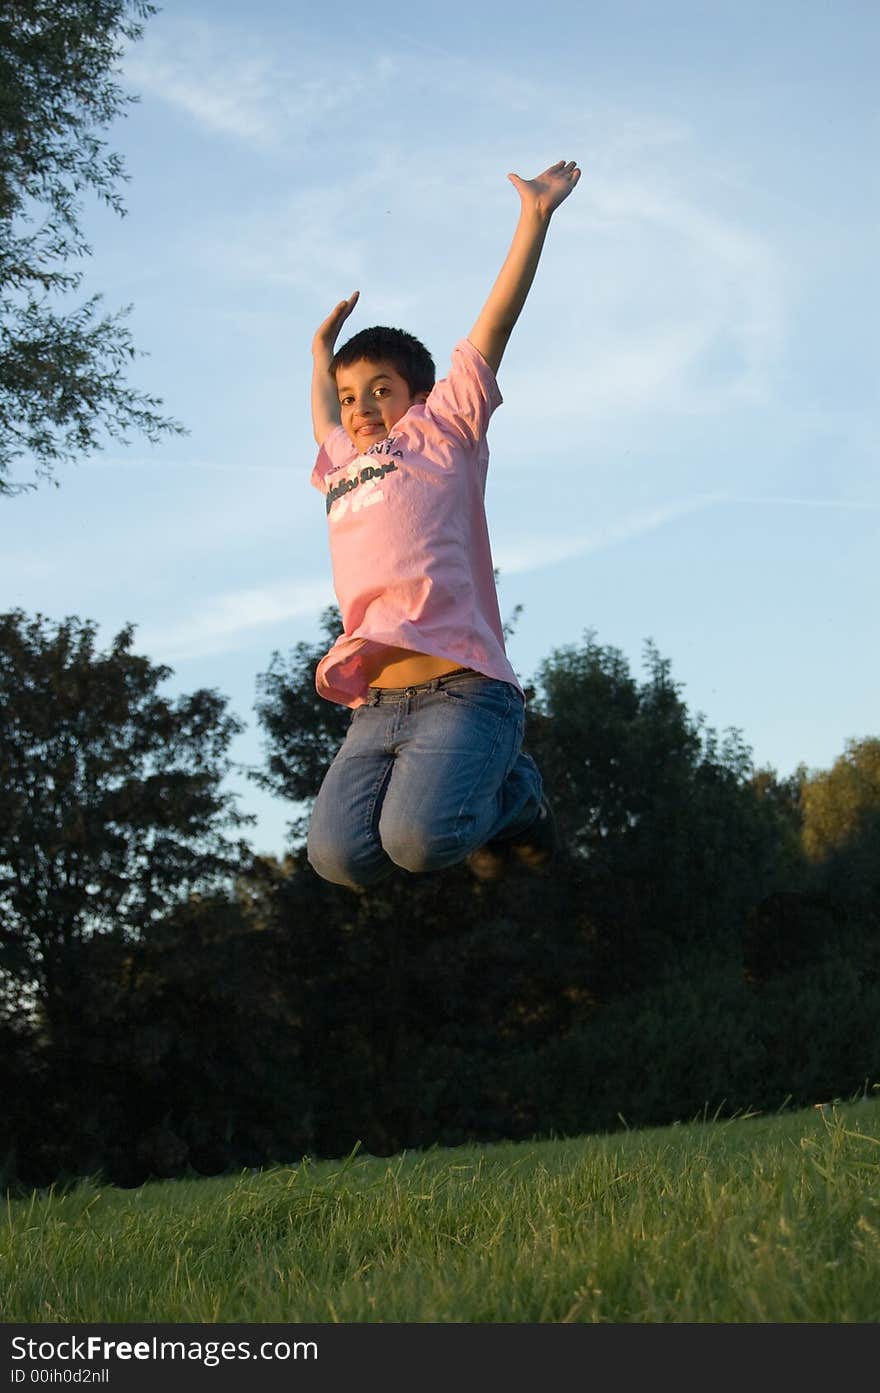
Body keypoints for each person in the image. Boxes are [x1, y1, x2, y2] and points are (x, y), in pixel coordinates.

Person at [306, 159, 581, 890]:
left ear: (419, 395)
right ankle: (487, 795)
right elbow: (325, 418)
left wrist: (535, 217)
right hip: (378, 706)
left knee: (421, 842)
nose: (361, 408)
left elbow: (494, 325)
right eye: (350, 394)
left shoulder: (443, 432)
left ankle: (517, 791)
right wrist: (318, 356)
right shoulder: (341, 462)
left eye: (380, 391)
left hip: (464, 690)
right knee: (339, 858)